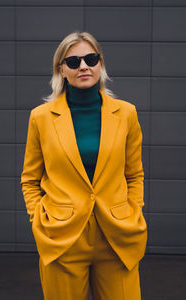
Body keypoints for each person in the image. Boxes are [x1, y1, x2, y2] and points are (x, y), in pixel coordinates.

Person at [21, 31, 147, 300]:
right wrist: (39, 220)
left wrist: (133, 210)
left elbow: (134, 174)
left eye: (91, 58)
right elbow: (30, 179)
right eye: (74, 61)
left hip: (117, 235)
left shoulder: (126, 113)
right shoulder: (41, 118)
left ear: (100, 63)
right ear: (61, 69)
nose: (83, 66)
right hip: (62, 237)